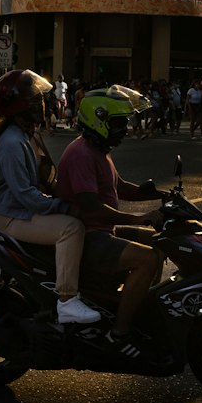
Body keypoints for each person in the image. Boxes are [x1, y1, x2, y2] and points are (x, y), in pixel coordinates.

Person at [55, 90, 167, 361]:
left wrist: (161, 195)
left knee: (161, 243)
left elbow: (119, 187)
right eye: (118, 124)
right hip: (90, 237)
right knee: (148, 259)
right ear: (99, 120)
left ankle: (136, 308)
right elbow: (92, 207)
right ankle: (119, 333)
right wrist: (136, 219)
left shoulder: (98, 150)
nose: (125, 130)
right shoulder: (82, 153)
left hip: (103, 231)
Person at [0, 69, 100, 325]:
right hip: (11, 214)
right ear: (19, 106)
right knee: (71, 229)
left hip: (23, 208)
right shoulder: (12, 143)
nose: (42, 103)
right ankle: (67, 301)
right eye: (34, 99)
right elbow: (26, 196)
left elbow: (45, 179)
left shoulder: (29, 134)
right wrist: (64, 208)